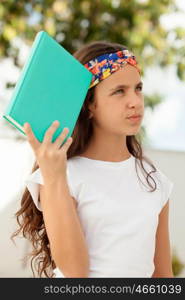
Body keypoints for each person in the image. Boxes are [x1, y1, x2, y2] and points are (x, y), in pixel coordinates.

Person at [11, 40, 174, 278]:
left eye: (138, 88)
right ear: (89, 105)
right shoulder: (62, 175)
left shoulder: (155, 182)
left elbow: (162, 277)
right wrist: (54, 176)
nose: (135, 101)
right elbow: (74, 273)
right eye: (119, 91)